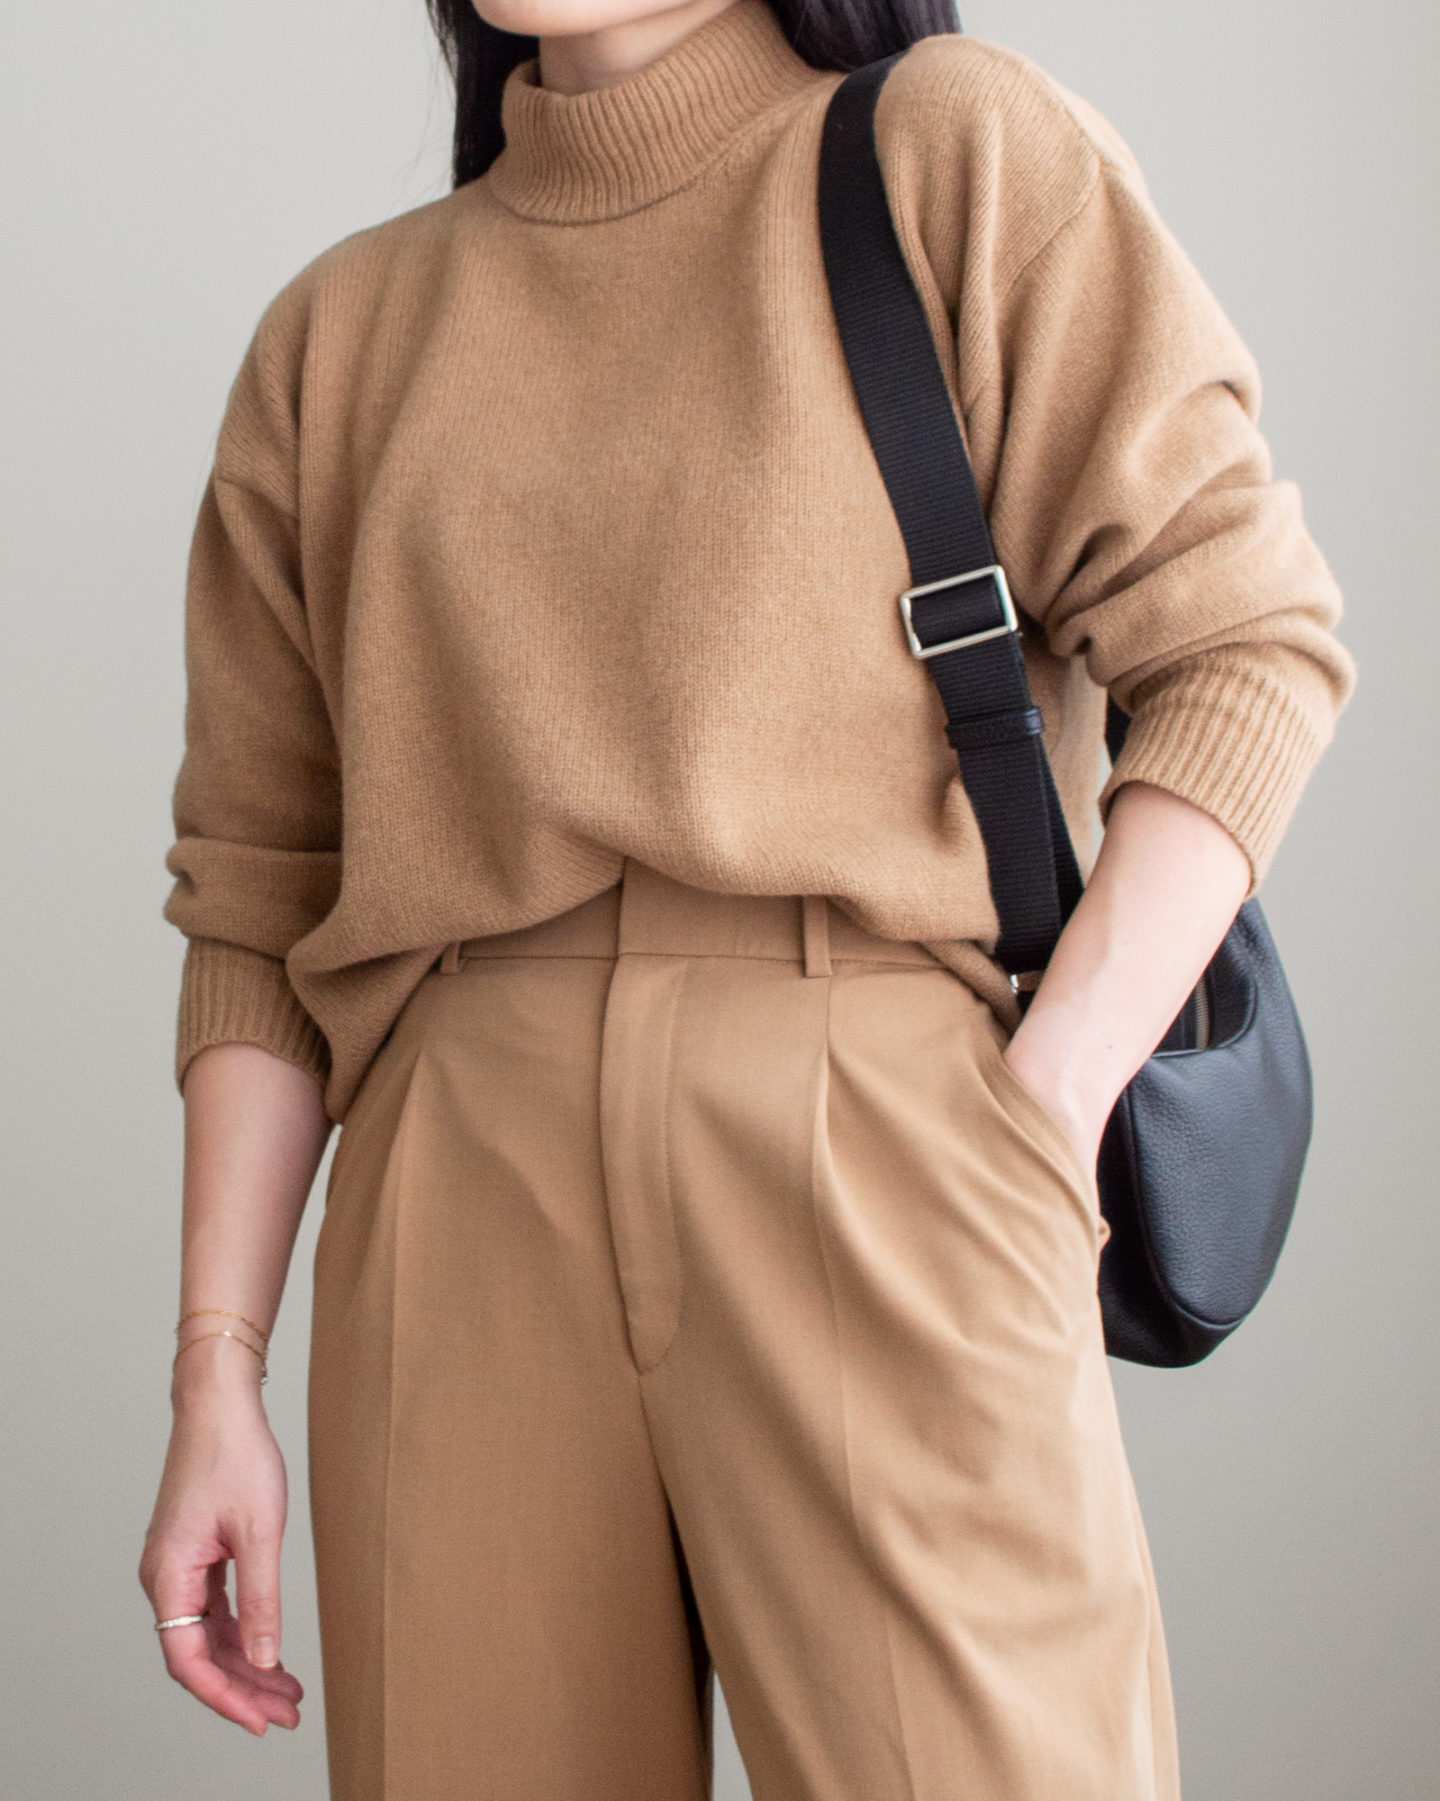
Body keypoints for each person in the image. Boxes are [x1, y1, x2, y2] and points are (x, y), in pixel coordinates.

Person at [138, 0, 1355, 1795]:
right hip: (456, 1196)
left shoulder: (950, 152)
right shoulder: (341, 335)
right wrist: (214, 1374)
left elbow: (1243, 636)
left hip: (880, 1136)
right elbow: (257, 899)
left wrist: (1044, 1115)